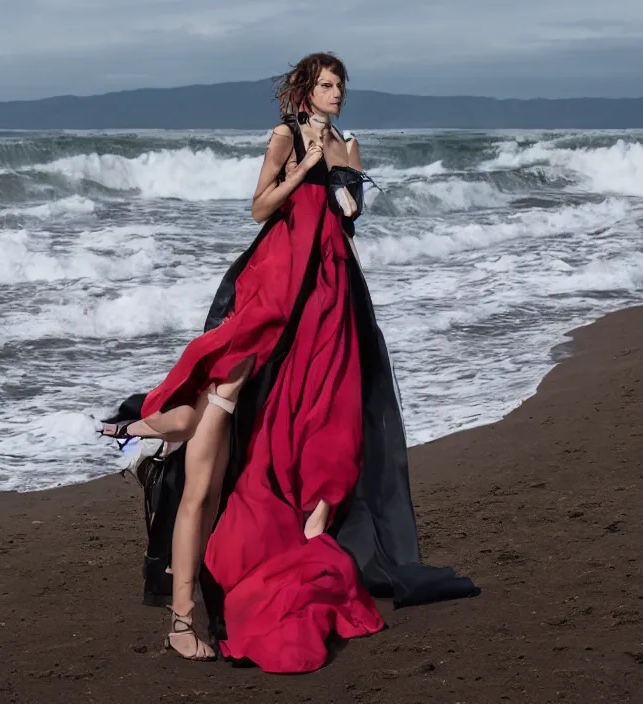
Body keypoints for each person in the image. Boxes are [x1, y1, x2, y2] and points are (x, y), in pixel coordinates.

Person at [100, 51, 479, 673]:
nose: (338, 94)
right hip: (281, 271)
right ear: (306, 89)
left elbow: (349, 219)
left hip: (328, 280)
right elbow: (259, 208)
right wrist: (303, 167)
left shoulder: (348, 145)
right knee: (235, 365)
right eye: (328, 85)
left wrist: (346, 184)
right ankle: (153, 425)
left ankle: (182, 446)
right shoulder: (285, 136)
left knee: (327, 405)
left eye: (342, 85)